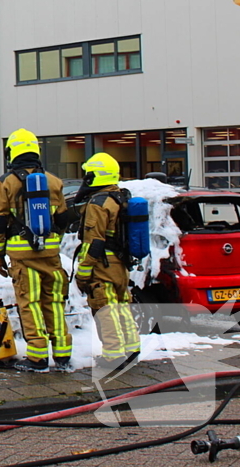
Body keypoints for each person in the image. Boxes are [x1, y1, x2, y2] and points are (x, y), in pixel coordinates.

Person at [0, 128, 72, 372]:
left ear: (12, 152)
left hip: (22, 256)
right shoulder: (54, 181)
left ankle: (37, 357)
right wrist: (51, 241)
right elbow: (63, 219)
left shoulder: (6, 182)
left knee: (30, 303)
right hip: (51, 254)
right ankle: (63, 354)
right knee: (54, 303)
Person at [74, 153, 141, 372]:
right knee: (121, 306)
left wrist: (83, 272)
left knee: (105, 308)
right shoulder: (120, 197)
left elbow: (93, 242)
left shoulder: (98, 202)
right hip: (120, 263)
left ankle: (113, 355)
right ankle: (131, 348)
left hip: (103, 263)